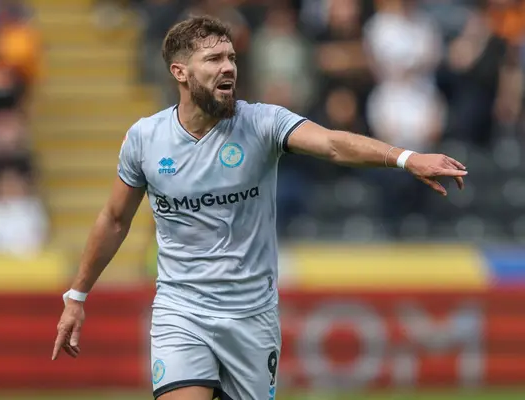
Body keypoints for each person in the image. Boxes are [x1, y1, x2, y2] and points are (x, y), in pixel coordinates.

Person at [51, 15, 467, 400]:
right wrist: (77, 295)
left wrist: (405, 157)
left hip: (251, 317)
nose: (228, 66)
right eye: (213, 58)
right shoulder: (144, 139)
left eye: (231, 57)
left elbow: (333, 144)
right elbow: (114, 218)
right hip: (181, 311)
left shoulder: (262, 123)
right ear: (180, 72)